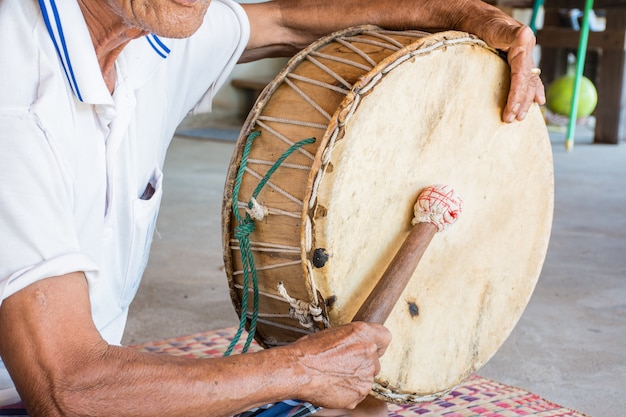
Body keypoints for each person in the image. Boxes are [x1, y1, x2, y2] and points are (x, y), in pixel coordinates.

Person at [0, 0, 544, 416]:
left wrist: (471, 15)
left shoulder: (151, 27)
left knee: (363, 402)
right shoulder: (16, 94)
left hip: (80, 388)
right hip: (41, 394)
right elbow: (66, 388)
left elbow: (285, 21)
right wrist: (300, 368)